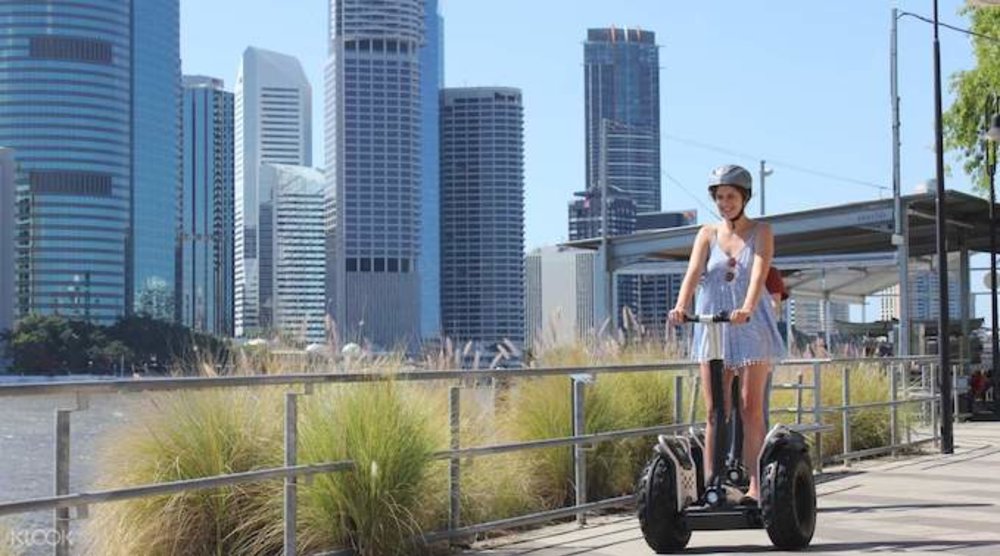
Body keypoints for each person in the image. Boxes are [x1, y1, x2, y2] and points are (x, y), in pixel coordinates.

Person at [669, 164, 785, 505]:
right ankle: (712, 486)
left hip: (750, 326)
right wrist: (680, 305)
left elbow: (758, 273)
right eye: (719, 197)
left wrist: (747, 307)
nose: (725, 203)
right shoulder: (706, 234)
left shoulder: (761, 231)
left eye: (731, 196)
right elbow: (693, 272)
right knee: (715, 409)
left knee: (750, 407)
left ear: (744, 197)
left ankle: (756, 486)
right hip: (713, 325)